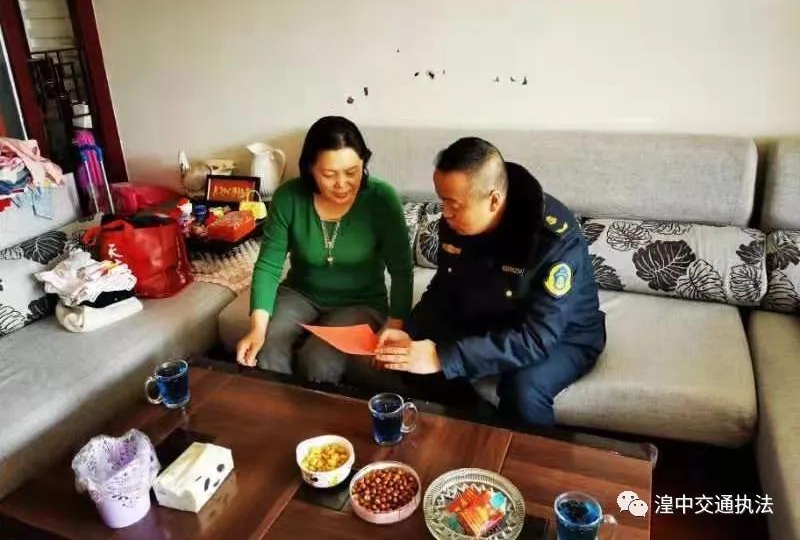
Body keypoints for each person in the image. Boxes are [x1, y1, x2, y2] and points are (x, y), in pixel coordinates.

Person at [375, 137, 605, 426]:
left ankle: (525, 451)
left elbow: (537, 337)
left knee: (524, 391)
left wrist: (442, 357)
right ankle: (478, 425)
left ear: (494, 200)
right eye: (442, 200)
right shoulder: (456, 221)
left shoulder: (552, 239)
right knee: (408, 360)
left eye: (453, 204)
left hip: (563, 335)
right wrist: (410, 332)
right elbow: (444, 289)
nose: (445, 213)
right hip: (490, 318)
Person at [236, 116, 413, 385]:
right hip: (301, 294)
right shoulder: (288, 197)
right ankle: (275, 409)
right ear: (310, 169)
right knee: (268, 346)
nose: (342, 184)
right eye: (329, 175)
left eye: (351, 172)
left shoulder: (381, 199)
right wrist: (257, 329)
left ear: (364, 162)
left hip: (361, 302)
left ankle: (315, 411)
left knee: (318, 359)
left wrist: (394, 326)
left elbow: (402, 271)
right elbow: (269, 266)